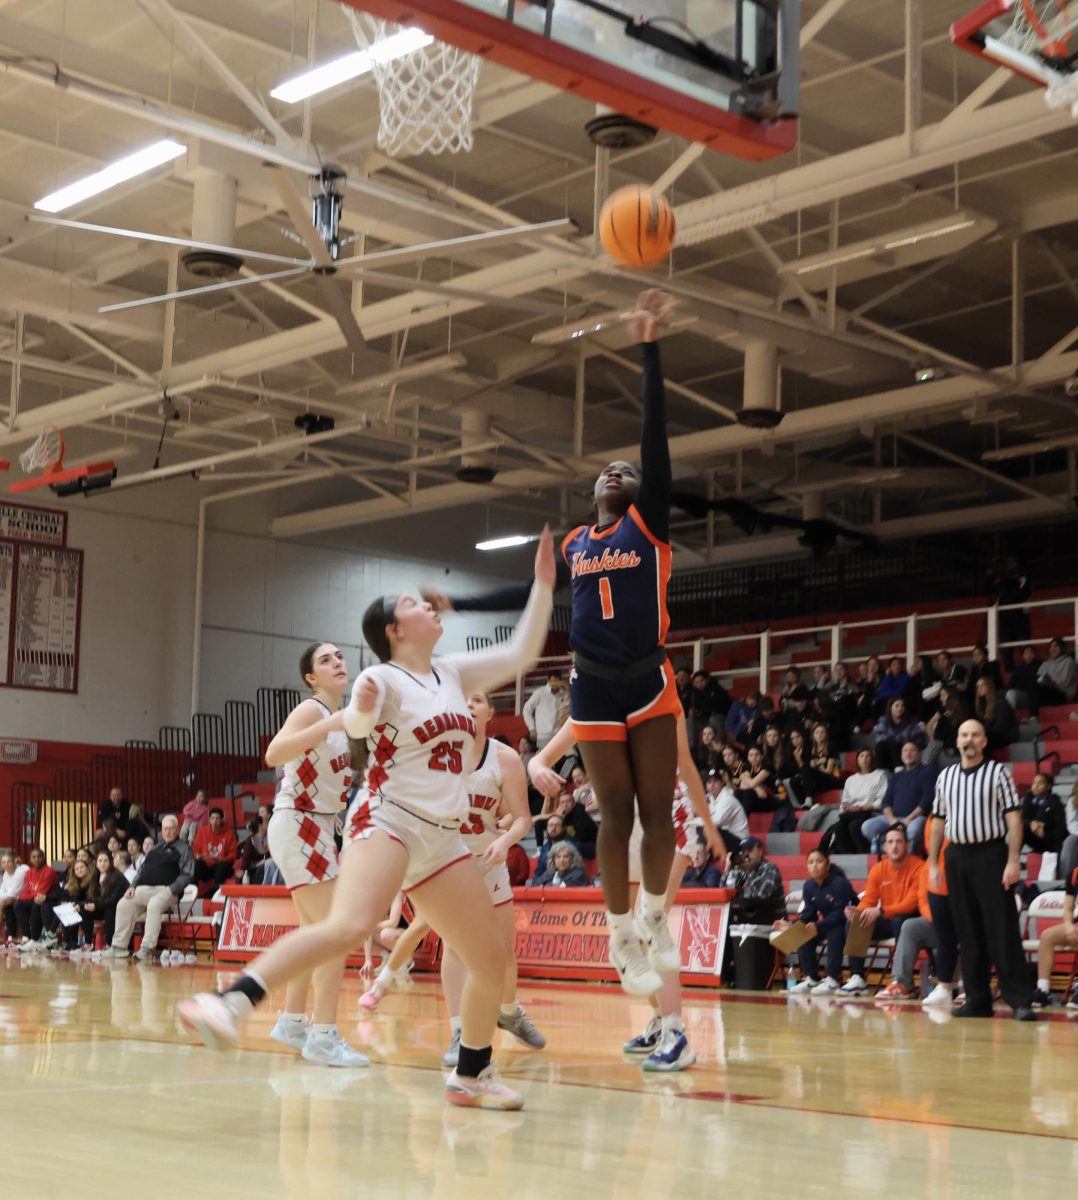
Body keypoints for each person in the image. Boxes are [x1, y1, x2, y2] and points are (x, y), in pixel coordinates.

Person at [177, 530, 554, 1112]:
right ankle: (229, 1002)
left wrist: (545, 586)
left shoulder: (452, 674)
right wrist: (358, 709)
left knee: (488, 957)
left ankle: (473, 1073)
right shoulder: (381, 678)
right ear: (394, 633)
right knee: (349, 925)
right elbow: (357, 721)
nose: (426, 604)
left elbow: (523, 652)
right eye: (411, 603)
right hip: (388, 819)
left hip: (441, 836)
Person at [419, 290, 681, 1001]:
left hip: (649, 676)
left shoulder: (647, 527)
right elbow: (525, 594)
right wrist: (462, 601)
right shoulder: (575, 543)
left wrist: (650, 347)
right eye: (607, 471)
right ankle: (621, 930)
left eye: (624, 473)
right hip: (594, 682)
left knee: (658, 815)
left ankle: (653, 916)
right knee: (615, 811)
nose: (614, 472)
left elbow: (655, 445)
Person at [360, 688, 545, 1070]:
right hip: (447, 865)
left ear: (489, 712)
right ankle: (460, 1031)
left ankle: (509, 1012)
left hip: (490, 862)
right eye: (462, 701)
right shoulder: (437, 757)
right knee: (455, 948)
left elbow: (523, 818)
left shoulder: (506, 758)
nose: (468, 705)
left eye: (476, 700)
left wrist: (506, 840)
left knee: (503, 953)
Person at [927, 718, 1035, 1020]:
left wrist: (1014, 860)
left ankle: (1020, 999)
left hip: (991, 854)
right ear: (958, 740)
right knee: (967, 930)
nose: (969, 740)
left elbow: (1014, 819)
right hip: (957, 856)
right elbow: (938, 822)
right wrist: (933, 863)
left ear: (984, 741)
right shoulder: (945, 776)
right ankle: (977, 999)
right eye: (964, 734)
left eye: (975, 735)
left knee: (1001, 928)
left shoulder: (998, 772)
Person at [876, 815, 959, 1005]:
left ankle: (970, 987)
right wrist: (938, 919)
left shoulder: (961, 863)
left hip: (963, 926)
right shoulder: (927, 868)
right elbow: (923, 901)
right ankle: (901, 983)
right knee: (910, 926)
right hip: (939, 925)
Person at [839, 824, 925, 996]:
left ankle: (901, 981)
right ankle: (858, 978)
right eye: (890, 842)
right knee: (856, 922)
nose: (894, 846)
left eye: (899, 842)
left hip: (911, 918)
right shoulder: (878, 869)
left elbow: (911, 903)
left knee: (902, 921)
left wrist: (880, 911)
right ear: (884, 846)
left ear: (907, 845)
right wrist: (859, 911)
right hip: (887, 917)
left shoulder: (919, 866)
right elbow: (869, 900)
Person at [103, 815, 195, 962]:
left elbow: (188, 874)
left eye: (171, 828)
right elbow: (142, 870)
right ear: (161, 831)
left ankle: (146, 948)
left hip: (168, 890)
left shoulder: (184, 849)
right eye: (165, 828)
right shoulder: (155, 848)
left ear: (177, 829)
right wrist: (133, 886)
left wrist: (171, 888)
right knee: (123, 904)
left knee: (154, 904)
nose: (168, 831)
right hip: (144, 889)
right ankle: (118, 947)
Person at [782, 849, 857, 995]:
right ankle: (811, 978)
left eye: (819, 862)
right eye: (811, 862)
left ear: (827, 865)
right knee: (803, 932)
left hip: (848, 923)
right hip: (828, 923)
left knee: (835, 932)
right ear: (807, 867)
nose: (814, 865)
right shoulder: (809, 886)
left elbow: (841, 914)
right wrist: (792, 925)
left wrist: (817, 926)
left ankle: (833, 979)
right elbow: (809, 913)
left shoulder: (840, 883)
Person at [861, 740, 935, 854]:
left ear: (919, 754)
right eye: (905, 751)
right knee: (867, 826)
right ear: (901, 755)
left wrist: (909, 819)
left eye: (912, 750)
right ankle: (891, 852)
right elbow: (886, 802)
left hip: (916, 818)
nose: (908, 753)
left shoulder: (927, 772)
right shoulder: (896, 776)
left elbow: (927, 800)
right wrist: (892, 820)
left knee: (913, 831)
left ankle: (907, 858)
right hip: (894, 818)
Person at [1030, 863, 1078, 1008]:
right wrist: (1069, 926)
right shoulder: (1075, 873)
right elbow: (1068, 908)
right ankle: (1043, 991)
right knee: (1047, 936)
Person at [829, 748, 888, 853]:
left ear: (872, 759)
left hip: (870, 812)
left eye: (867, 756)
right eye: (861, 756)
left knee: (855, 826)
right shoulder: (851, 779)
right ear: (857, 760)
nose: (864, 759)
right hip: (852, 813)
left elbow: (882, 800)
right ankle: (849, 855)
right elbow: (845, 801)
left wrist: (864, 807)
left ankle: (863, 852)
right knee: (838, 827)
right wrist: (849, 808)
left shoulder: (880, 775)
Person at [721, 837, 784, 925]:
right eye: (742, 852)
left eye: (750, 850)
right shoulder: (740, 870)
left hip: (773, 922)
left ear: (760, 851)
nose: (745, 855)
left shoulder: (769, 868)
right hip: (748, 922)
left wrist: (743, 886)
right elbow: (724, 893)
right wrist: (728, 870)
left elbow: (761, 896)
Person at [12, 848, 57, 948]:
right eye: (34, 857)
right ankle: (26, 936)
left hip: (48, 900)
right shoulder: (29, 872)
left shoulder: (49, 871)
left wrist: (25, 897)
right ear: (30, 859)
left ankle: (34, 938)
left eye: (39, 857)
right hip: (33, 899)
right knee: (18, 905)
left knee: (36, 903)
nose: (36, 859)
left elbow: (41, 892)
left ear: (43, 858)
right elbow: (26, 890)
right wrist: (22, 897)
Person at [84, 850, 128, 948]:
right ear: (96, 863)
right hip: (102, 907)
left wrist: (95, 905)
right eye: (100, 861)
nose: (102, 864)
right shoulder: (95, 876)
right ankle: (88, 944)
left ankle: (109, 944)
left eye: (105, 861)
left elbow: (114, 900)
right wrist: (84, 905)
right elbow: (91, 897)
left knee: (110, 909)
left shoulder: (117, 876)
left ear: (110, 862)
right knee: (84, 910)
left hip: (117, 907)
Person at [872, 696, 925, 772]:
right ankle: (881, 773)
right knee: (880, 745)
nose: (900, 708)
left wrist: (897, 739)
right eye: (897, 706)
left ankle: (899, 771)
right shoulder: (883, 721)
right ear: (890, 707)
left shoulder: (911, 723)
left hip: (903, 751)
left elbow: (917, 741)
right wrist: (895, 738)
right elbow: (879, 739)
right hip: (887, 752)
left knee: (894, 744)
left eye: (902, 706)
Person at [192, 808, 239, 892]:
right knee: (196, 864)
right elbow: (196, 848)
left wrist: (223, 859)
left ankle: (216, 891)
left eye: (217, 818)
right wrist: (198, 855)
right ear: (209, 819)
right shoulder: (202, 831)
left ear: (221, 820)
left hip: (222, 867)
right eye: (212, 818)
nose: (214, 821)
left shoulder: (229, 833)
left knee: (222, 865)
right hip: (206, 867)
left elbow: (233, 854)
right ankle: (192, 890)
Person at [1020, 773, 1067, 856]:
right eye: (1034, 783)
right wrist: (1032, 823)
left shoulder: (1055, 803)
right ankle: (1013, 858)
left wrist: (1044, 833)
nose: (1035, 786)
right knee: (1020, 829)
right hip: (1035, 837)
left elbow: (1061, 831)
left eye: (1040, 783)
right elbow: (1024, 817)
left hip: (1051, 841)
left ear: (1048, 786)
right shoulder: (1029, 797)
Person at [522, 672, 569, 749]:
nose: (554, 683)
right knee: (545, 757)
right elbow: (526, 709)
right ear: (548, 681)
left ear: (560, 681)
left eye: (557, 681)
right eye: (553, 681)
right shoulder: (540, 693)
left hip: (559, 733)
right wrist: (531, 728)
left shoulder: (564, 693)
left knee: (568, 755)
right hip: (543, 734)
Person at [705, 770, 749, 852]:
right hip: (727, 837)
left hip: (740, 841)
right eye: (709, 782)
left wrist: (696, 821)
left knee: (710, 829)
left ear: (722, 783)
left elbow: (715, 822)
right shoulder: (709, 798)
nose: (712, 785)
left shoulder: (727, 798)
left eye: (715, 781)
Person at [973, 676, 1018, 750]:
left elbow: (1002, 726)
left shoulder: (1000, 701)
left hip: (1007, 735)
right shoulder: (982, 704)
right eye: (977, 686)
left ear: (989, 687)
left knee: (981, 740)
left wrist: (983, 732)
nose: (979, 688)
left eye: (982, 685)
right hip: (995, 734)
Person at [1037, 637, 1077, 707]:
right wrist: (1054, 680)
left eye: (1056, 646)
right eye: (1051, 646)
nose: (1052, 649)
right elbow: (1038, 680)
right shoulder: (1045, 663)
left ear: (1062, 648)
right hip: (1046, 692)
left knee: (1039, 691)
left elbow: (1064, 683)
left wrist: (1048, 680)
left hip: (1062, 694)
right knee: (1034, 689)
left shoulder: (1069, 662)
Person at [1005, 644, 1042, 713]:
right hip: (1021, 694)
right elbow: (1012, 683)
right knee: (1010, 693)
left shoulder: (1040, 665)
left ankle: (1033, 717)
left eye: (1031, 652)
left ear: (1034, 654)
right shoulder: (1019, 669)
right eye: (1027, 653)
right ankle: (1008, 717)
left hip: (1036, 696)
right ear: (1023, 656)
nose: (1029, 655)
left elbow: (1038, 681)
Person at [0, 853, 28, 944]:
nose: (6, 864)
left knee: (4, 904)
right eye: (4, 862)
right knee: (5, 905)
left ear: (14, 862)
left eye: (9, 862)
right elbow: (2, 891)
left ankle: (8, 934)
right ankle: (11, 935)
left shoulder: (19, 873)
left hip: (23, 898)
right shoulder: (5, 874)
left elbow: (13, 893)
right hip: (11, 899)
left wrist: (2, 900)